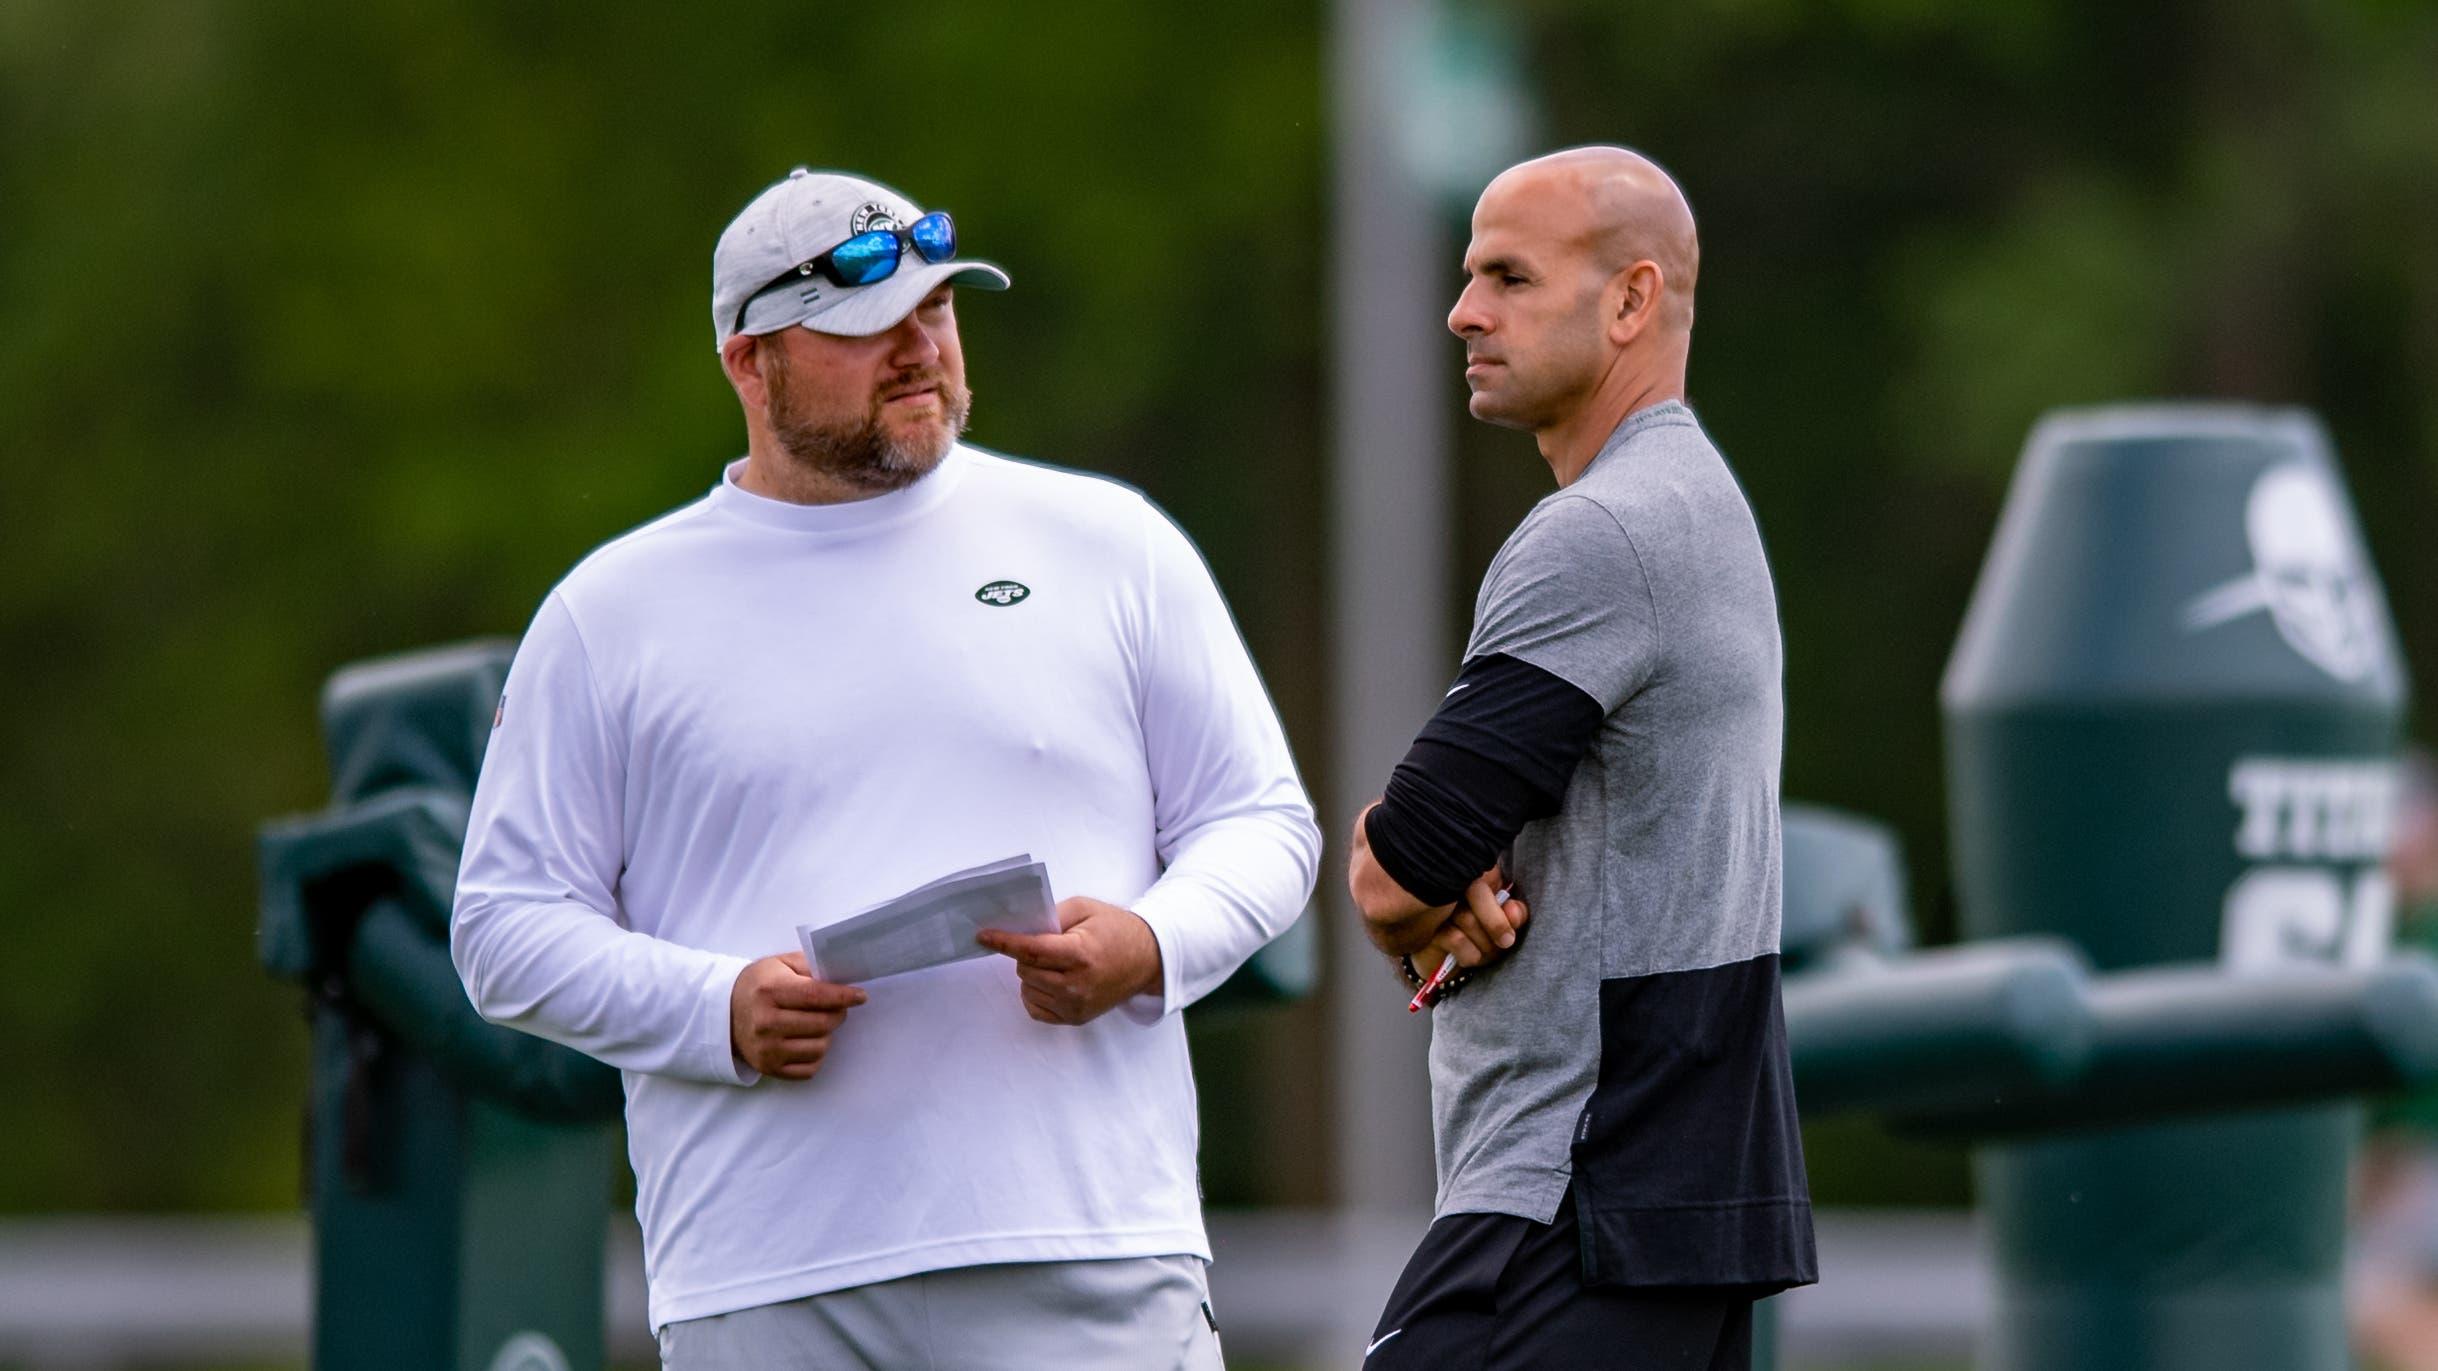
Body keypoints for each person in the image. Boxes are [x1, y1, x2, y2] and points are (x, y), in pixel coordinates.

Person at [449, 167, 1318, 1370]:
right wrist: (717, 1011)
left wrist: (1147, 945)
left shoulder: (1108, 544)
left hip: (1090, 1249)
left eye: (938, 310)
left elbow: (1262, 822)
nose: (918, 348)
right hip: (765, 1276)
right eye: (867, 326)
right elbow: (501, 927)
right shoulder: (612, 612)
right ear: (748, 363)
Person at [1345, 146, 1817, 1370]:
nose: (1462, 311)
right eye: (1466, 275)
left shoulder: (1600, 533)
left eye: (1507, 276)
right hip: (1673, 1200)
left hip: (1573, 1196)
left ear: (1628, 301)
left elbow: (1397, 869)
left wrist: (1396, 879)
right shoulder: (1700, 506)